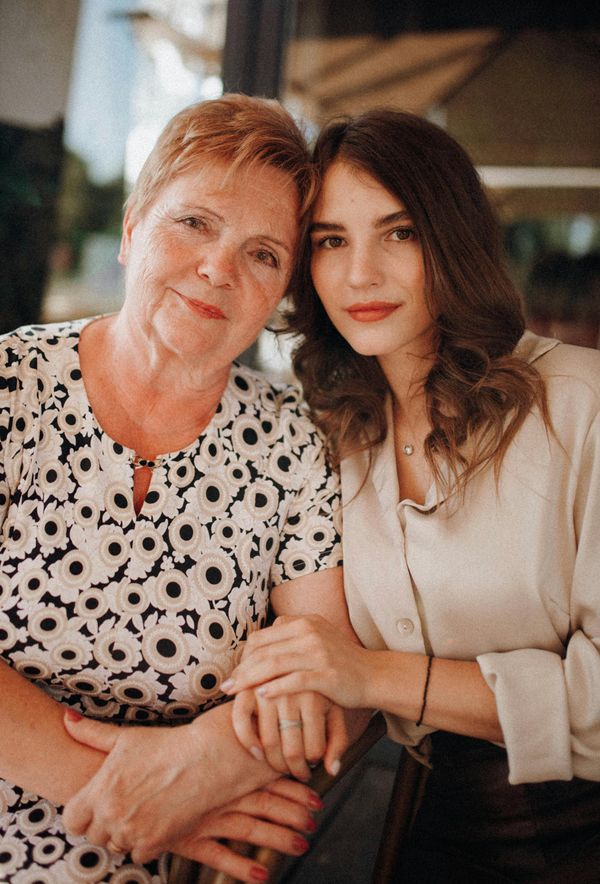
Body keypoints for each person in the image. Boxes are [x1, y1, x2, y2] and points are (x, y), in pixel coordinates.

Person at [222, 109, 600, 882]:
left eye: (399, 233)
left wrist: (371, 675)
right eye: (331, 241)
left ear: (452, 239)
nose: (360, 274)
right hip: (432, 829)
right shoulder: (331, 436)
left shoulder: (582, 405)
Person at [0, 94, 362, 884]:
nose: (218, 268)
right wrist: (120, 790)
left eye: (264, 254)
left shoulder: (294, 444)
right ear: (133, 228)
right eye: (193, 222)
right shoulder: (9, 387)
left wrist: (211, 759)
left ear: (281, 295)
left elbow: (327, 675)